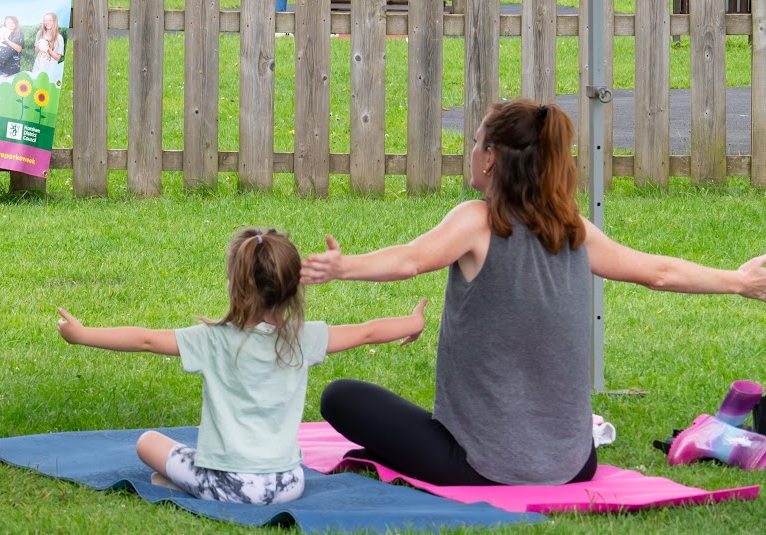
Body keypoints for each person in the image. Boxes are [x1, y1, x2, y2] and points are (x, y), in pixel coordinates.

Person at [302, 98, 766, 487]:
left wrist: (343, 267)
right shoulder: (573, 230)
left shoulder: (477, 221)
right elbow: (658, 272)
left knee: (340, 397)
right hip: (575, 466)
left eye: (475, 142)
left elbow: (409, 261)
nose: (471, 150)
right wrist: (738, 281)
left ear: (491, 157)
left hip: (482, 468)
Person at [56, 227, 427, 506]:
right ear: (291, 289)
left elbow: (146, 340)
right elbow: (366, 333)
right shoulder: (303, 337)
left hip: (230, 486)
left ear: (236, 284)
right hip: (287, 485)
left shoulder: (212, 339)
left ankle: (192, 484)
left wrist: (82, 334)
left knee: (148, 442)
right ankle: (196, 480)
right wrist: (412, 323)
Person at [33, 11, 65, 85]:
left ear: (54, 22)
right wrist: (39, 46)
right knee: (36, 84)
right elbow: (36, 50)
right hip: (38, 64)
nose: (47, 22)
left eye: (50, 20)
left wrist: (49, 50)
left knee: (46, 87)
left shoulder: (59, 38)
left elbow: (58, 57)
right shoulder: (40, 33)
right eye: (45, 20)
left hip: (50, 67)